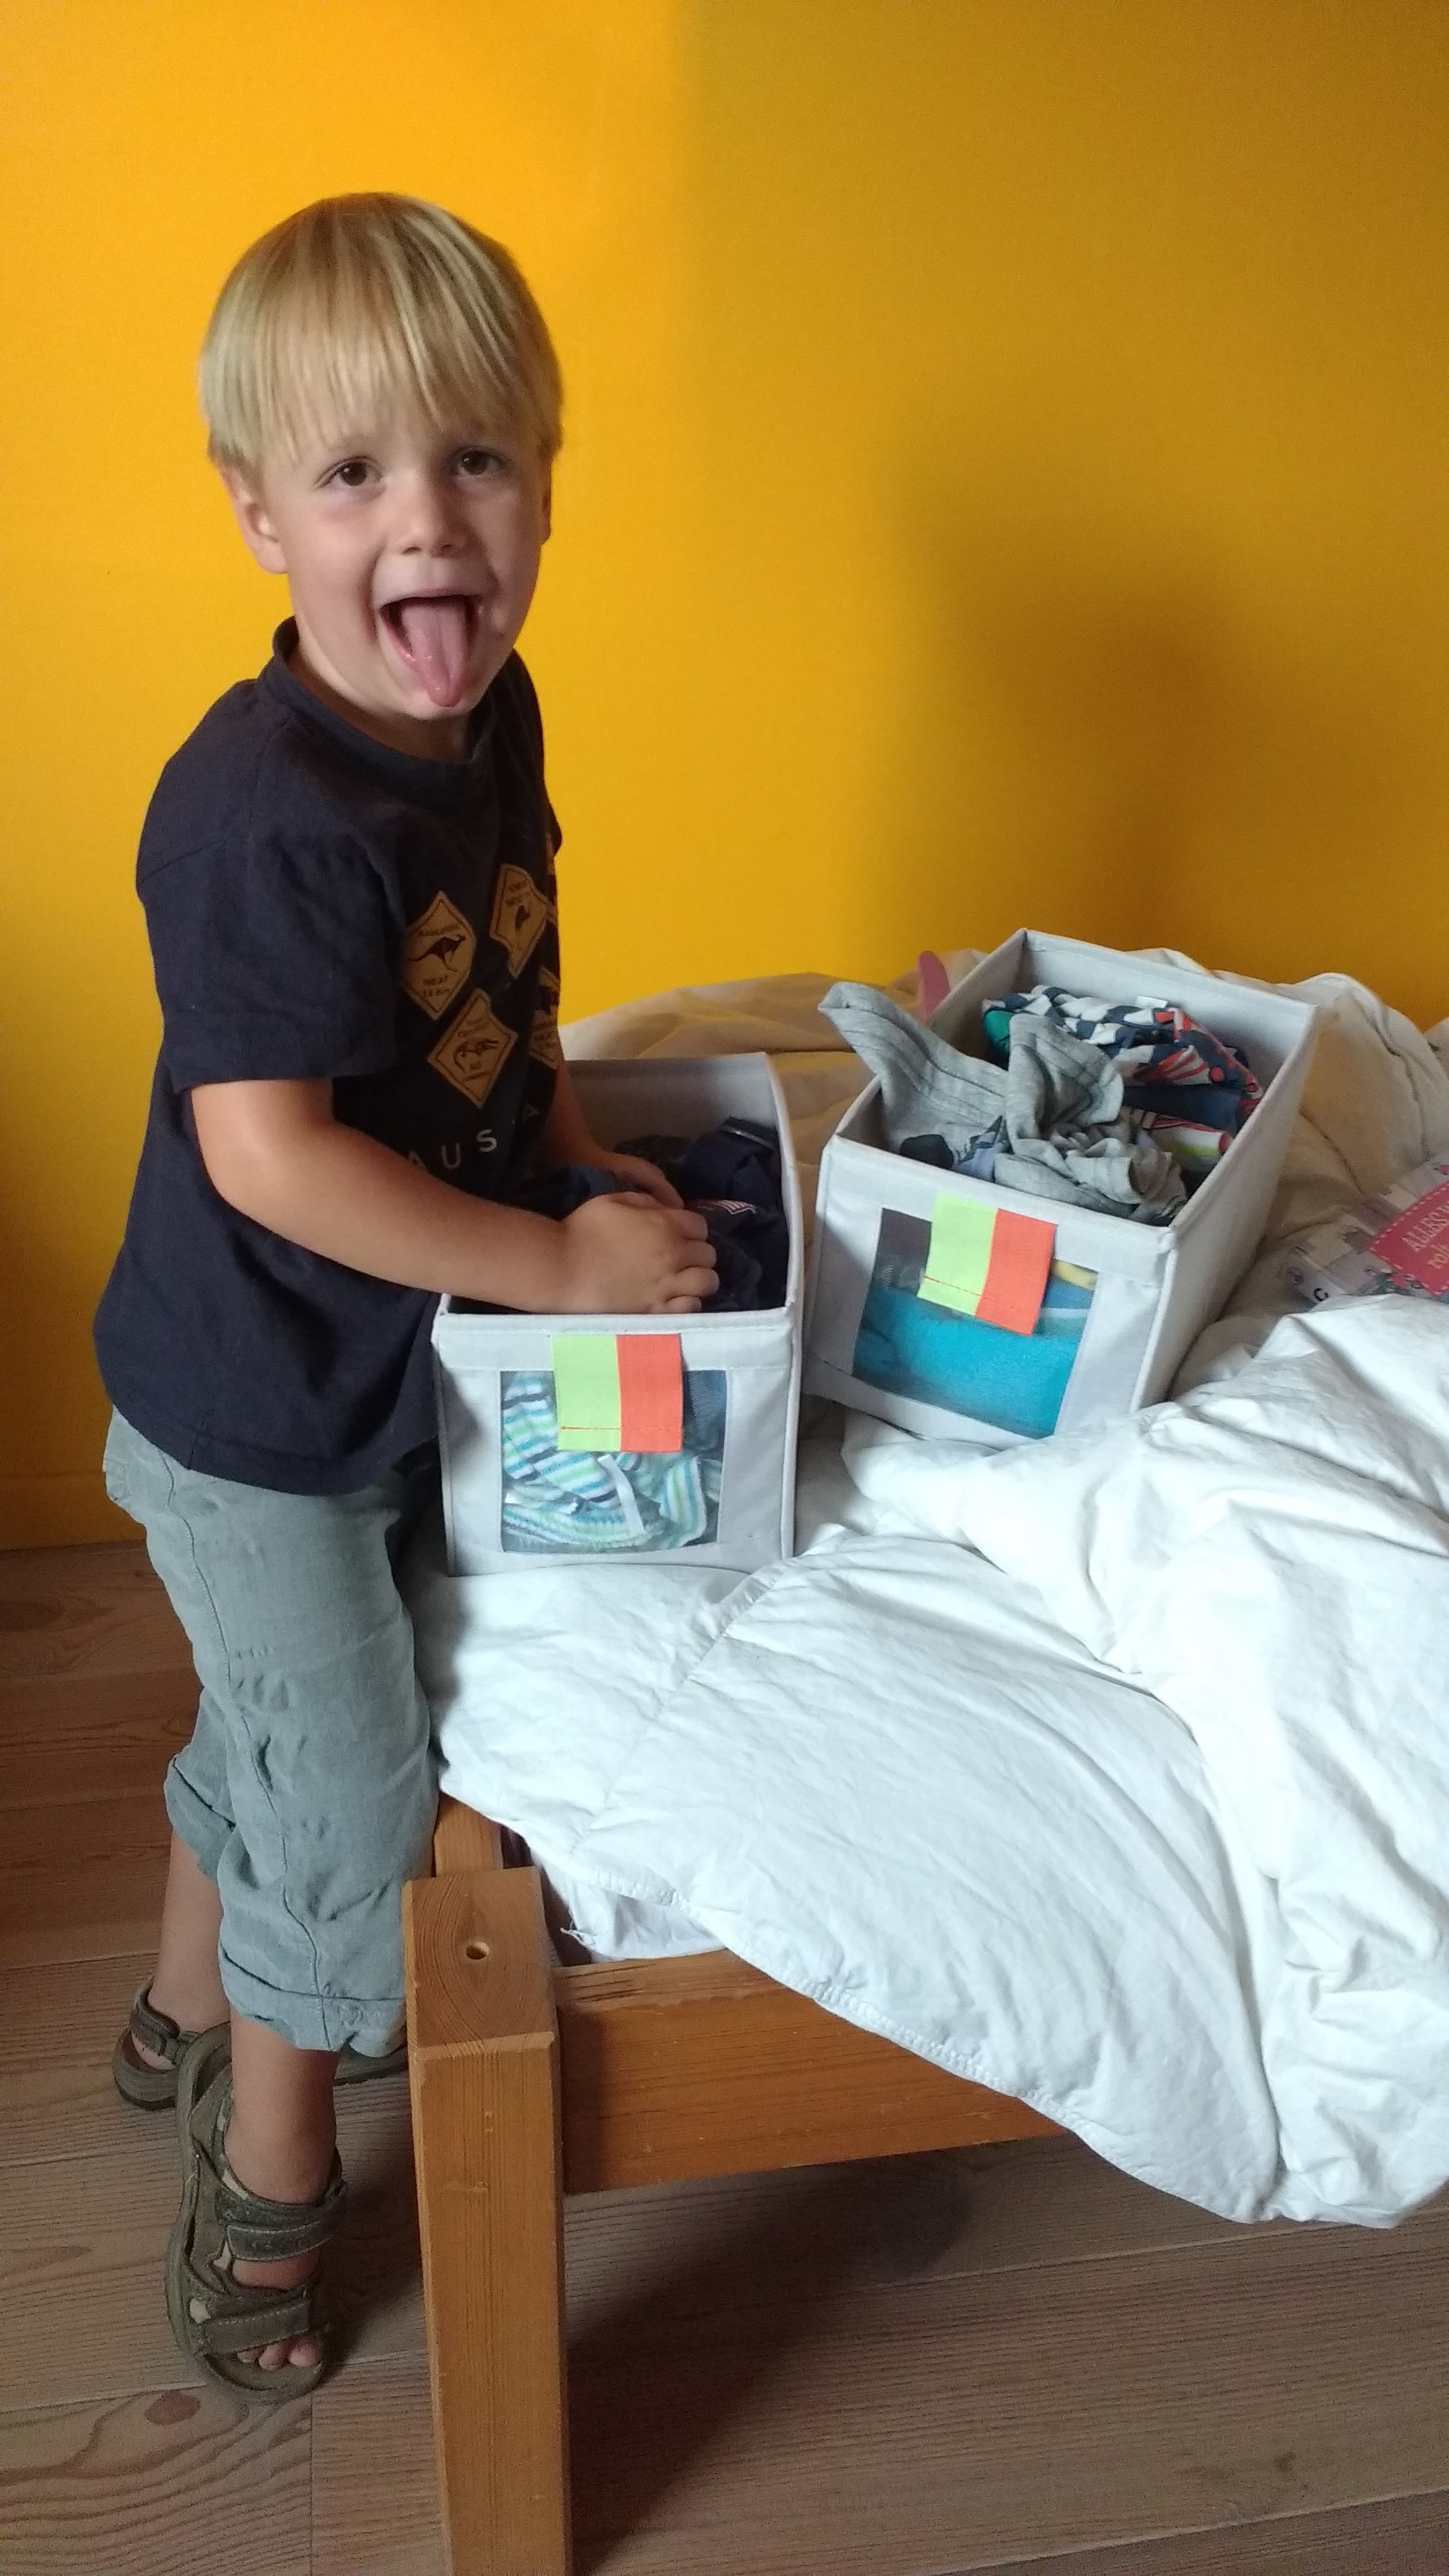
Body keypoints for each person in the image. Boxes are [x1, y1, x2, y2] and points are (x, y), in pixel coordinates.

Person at [94, 193, 716, 2397]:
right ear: (259, 514)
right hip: (257, 1409)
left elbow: (501, 986)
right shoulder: (262, 817)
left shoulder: (489, 713)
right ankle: (271, 2180)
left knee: (276, 1728)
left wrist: (562, 1147)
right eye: (354, 473)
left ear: (542, 485)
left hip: (385, 1361)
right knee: (354, 1807)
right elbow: (266, 1148)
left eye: (476, 461)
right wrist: (551, 1268)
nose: (427, 520)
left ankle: (179, 2010)